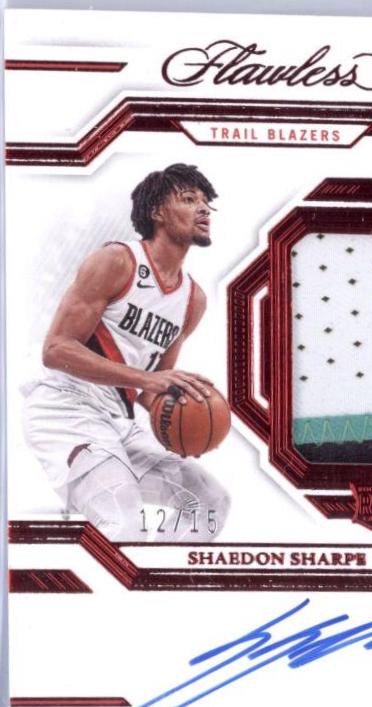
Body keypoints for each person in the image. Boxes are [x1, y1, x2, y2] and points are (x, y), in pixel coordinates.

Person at [22, 163, 230, 542]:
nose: (203, 209)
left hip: (116, 420)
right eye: (188, 199)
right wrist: (149, 380)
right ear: (157, 212)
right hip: (64, 408)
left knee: (210, 502)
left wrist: (189, 420)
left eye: (205, 202)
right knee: (123, 517)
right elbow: (55, 349)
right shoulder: (118, 261)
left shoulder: (192, 300)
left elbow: (152, 391)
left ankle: (157, 574)